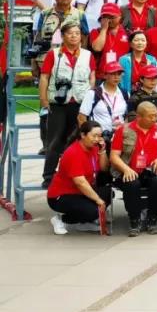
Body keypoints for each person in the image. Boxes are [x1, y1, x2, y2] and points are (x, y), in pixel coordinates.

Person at [40, 22, 97, 188]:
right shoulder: (53, 54)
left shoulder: (88, 55)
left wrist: (89, 98)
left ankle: (73, 174)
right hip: (58, 103)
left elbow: (92, 77)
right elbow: (44, 77)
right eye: (70, 33)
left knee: (76, 141)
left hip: (79, 104)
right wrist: (43, 99)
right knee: (55, 140)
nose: (74, 36)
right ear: (63, 36)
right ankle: (48, 176)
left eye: (77, 33)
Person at [110, 102, 157, 236]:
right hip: (130, 170)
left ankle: (153, 217)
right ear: (139, 117)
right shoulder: (124, 130)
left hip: (152, 170)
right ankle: (134, 219)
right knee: (131, 183)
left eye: (156, 115)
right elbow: (114, 156)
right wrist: (125, 169)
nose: (154, 119)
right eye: (150, 116)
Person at [48, 120, 109, 235]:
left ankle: (84, 222)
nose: (97, 139)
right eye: (94, 136)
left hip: (80, 192)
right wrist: (97, 199)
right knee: (94, 210)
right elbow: (80, 182)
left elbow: (104, 168)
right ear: (83, 135)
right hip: (62, 195)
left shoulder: (94, 148)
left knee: (108, 193)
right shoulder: (73, 152)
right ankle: (61, 219)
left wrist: (102, 151)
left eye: (99, 136)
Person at [78, 61, 127, 139]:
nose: (116, 77)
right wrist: (89, 138)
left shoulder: (124, 93)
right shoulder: (93, 93)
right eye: (113, 74)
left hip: (119, 137)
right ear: (105, 75)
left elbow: (126, 116)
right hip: (98, 138)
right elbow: (81, 118)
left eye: (119, 74)